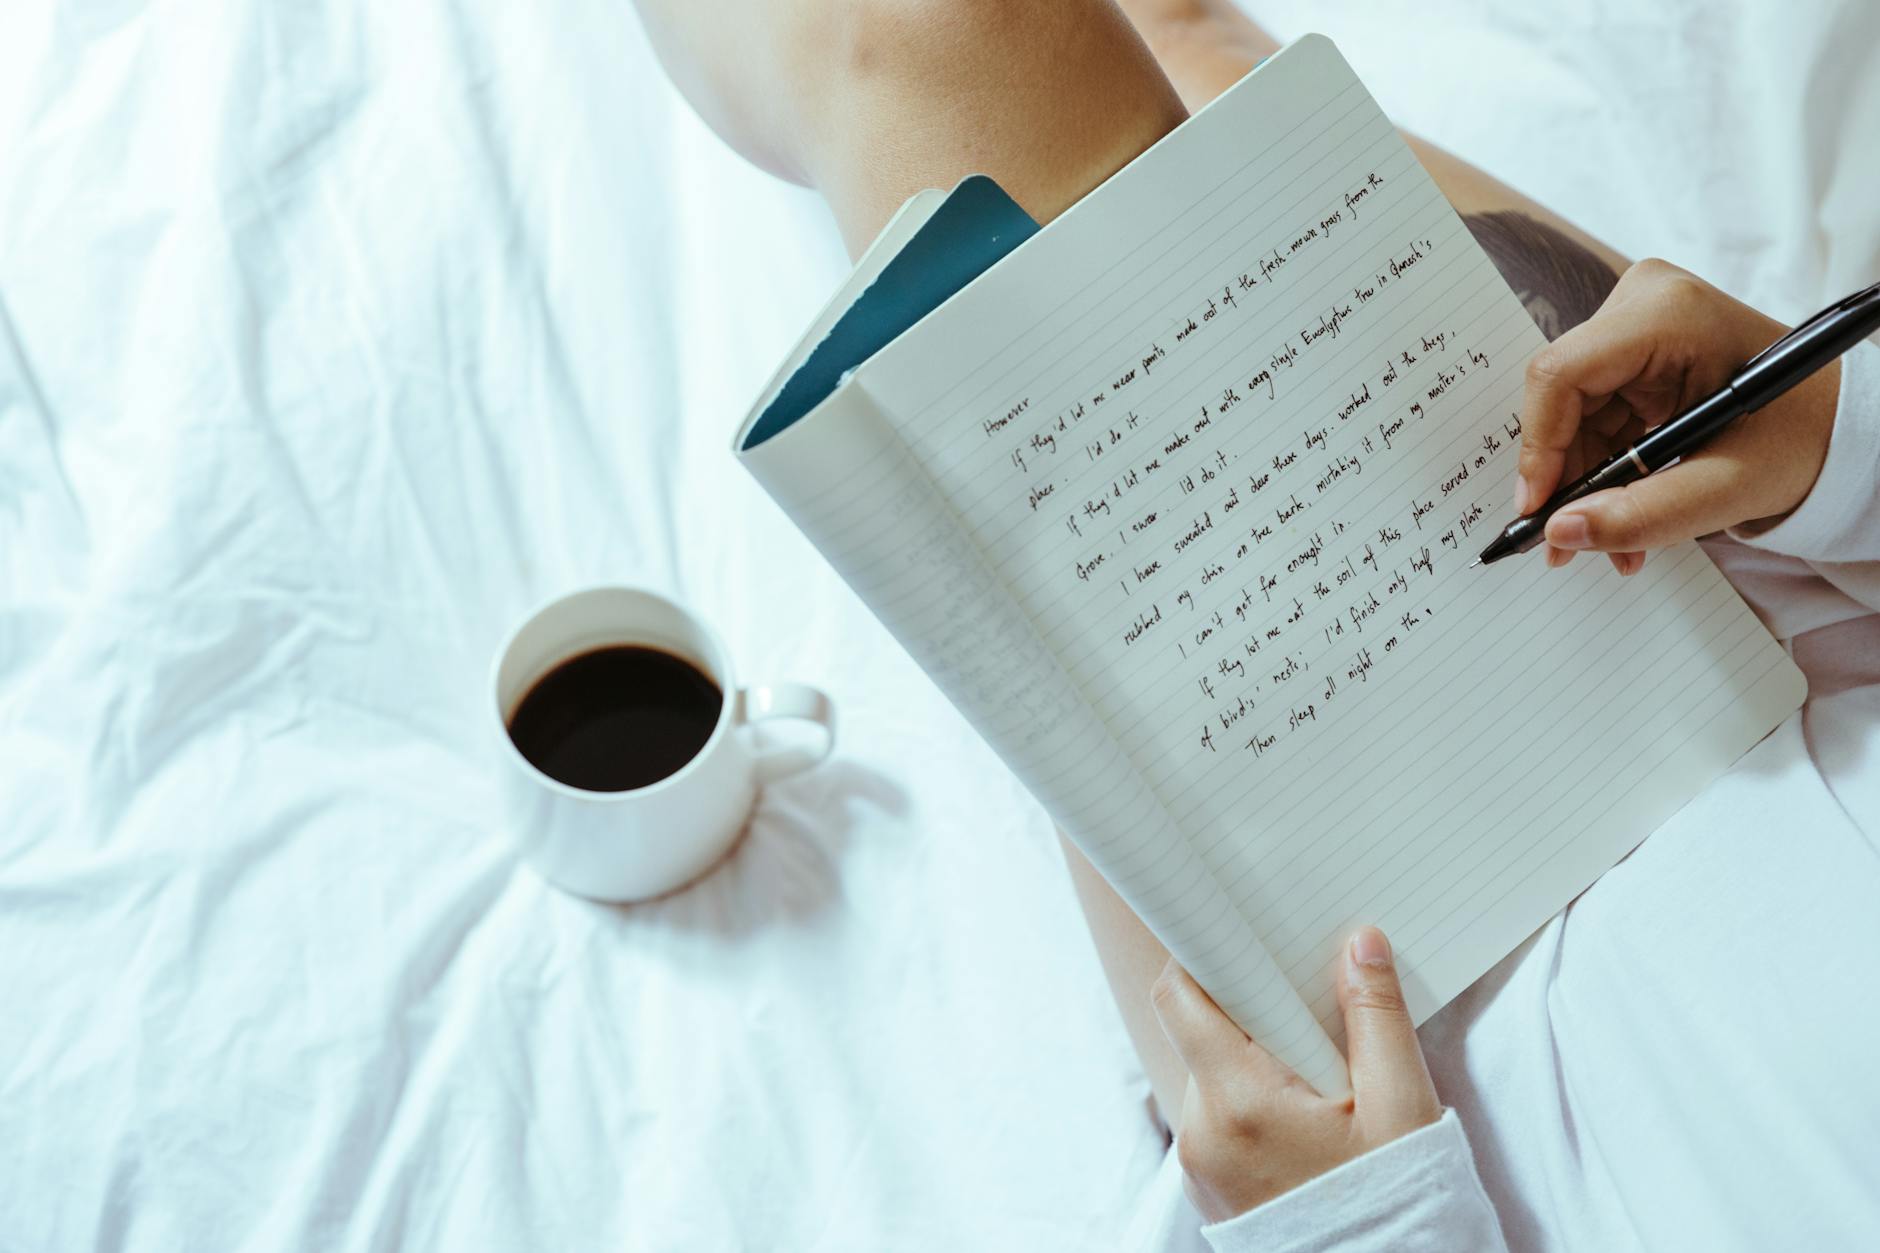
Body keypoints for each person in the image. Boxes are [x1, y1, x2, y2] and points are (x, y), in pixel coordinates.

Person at [634, 1, 1880, 1246]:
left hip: (1411, 1041)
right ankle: (1195, 38)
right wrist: (1839, 436)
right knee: (1238, 112)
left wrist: (1354, 1218)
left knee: (932, 38)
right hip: (1725, 566)